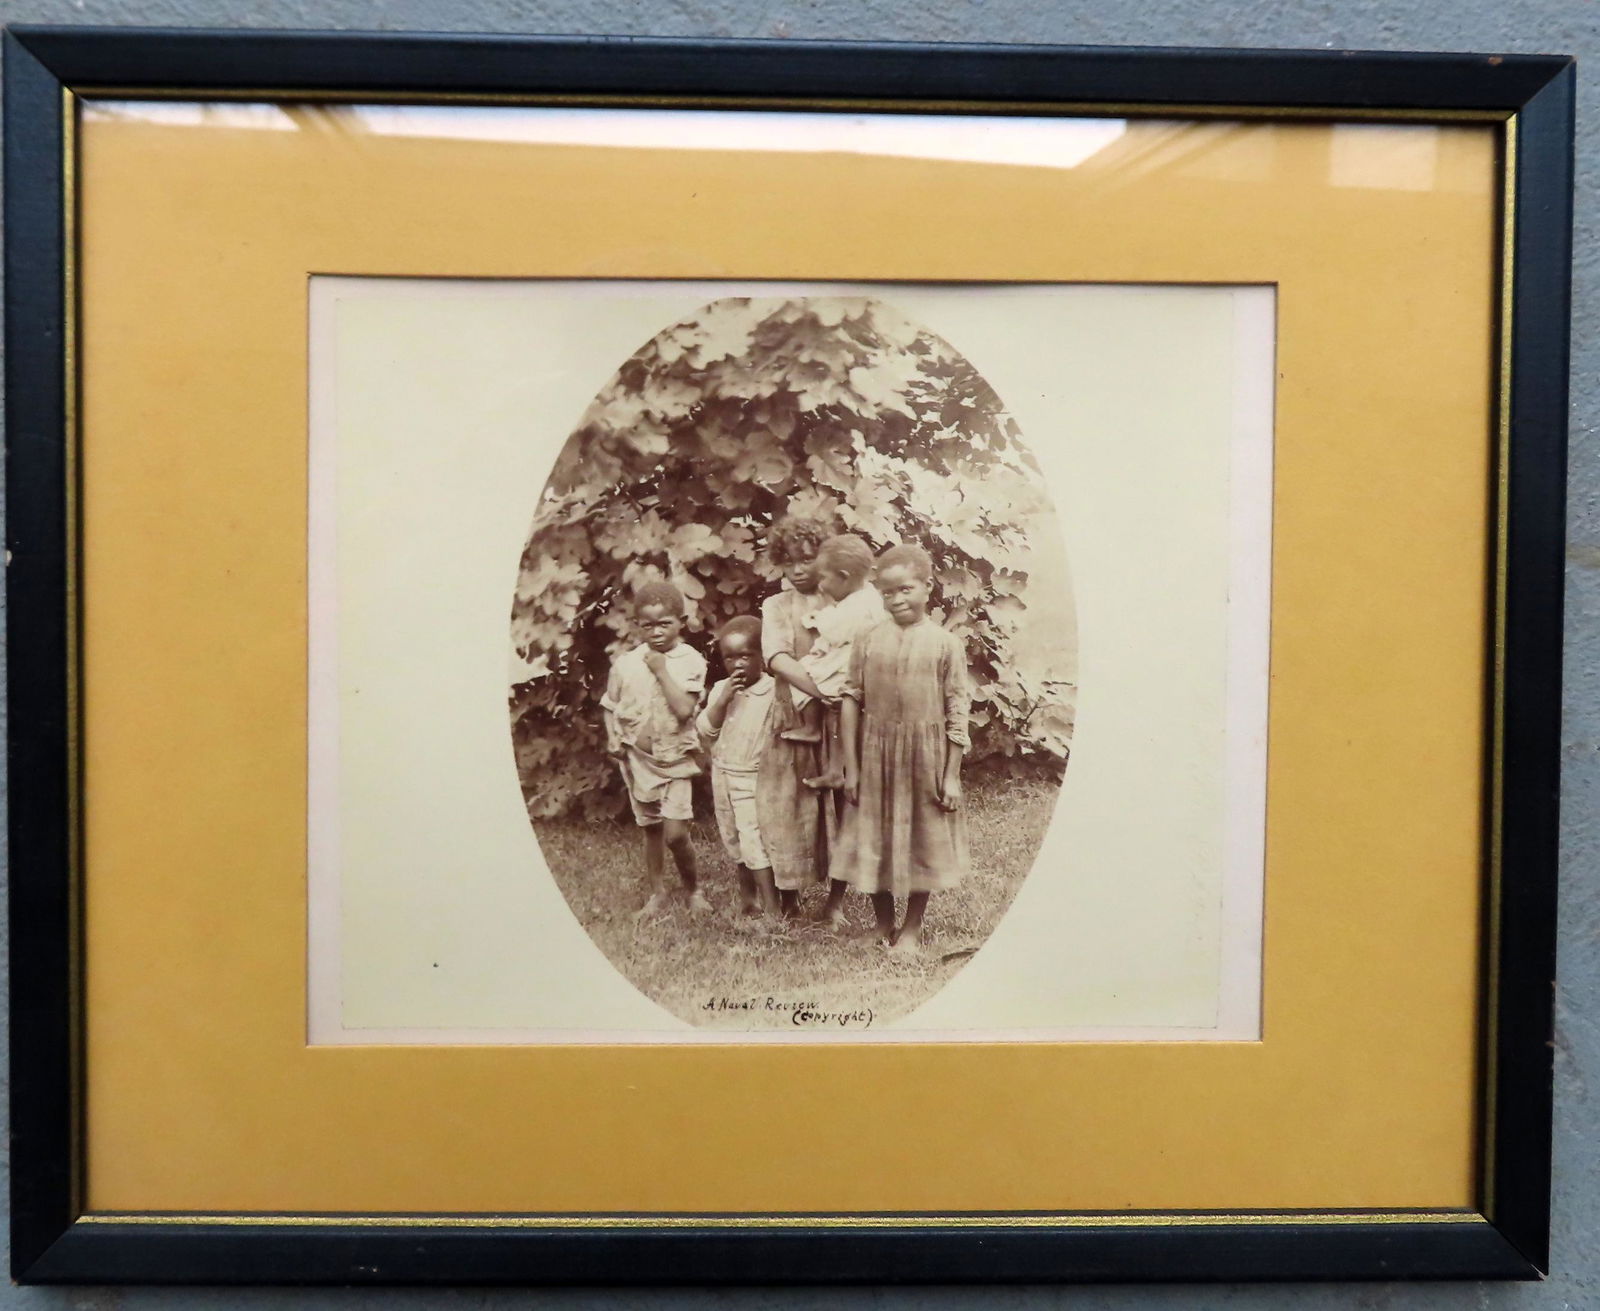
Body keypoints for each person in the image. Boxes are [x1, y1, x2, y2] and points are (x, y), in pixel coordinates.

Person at [828, 543, 970, 953]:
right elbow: (851, 697)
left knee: (922, 838)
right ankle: (883, 922)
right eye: (888, 592)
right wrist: (851, 767)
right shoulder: (868, 639)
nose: (897, 599)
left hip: (925, 757)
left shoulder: (946, 645)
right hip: (875, 754)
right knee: (871, 836)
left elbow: (957, 709)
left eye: (906, 589)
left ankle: (911, 927)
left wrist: (951, 774)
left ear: (927, 587)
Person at [600, 580, 709, 918]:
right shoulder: (625, 664)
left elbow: (682, 709)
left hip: (675, 758)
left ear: (682, 620)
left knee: (675, 834)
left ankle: (694, 889)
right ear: (637, 625)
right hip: (638, 759)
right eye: (648, 625)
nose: (657, 632)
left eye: (665, 624)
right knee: (650, 828)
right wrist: (612, 736)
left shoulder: (690, 660)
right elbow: (609, 704)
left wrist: (661, 669)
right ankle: (657, 893)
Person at [758, 511, 836, 913]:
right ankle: (789, 895)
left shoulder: (843, 599)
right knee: (786, 803)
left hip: (839, 720)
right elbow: (776, 658)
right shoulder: (777, 605)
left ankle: (836, 901)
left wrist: (836, 696)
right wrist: (823, 690)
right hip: (792, 717)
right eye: (790, 560)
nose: (799, 568)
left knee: (839, 804)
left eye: (808, 558)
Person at [697, 616, 780, 918]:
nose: (738, 664)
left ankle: (773, 908)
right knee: (733, 840)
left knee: (754, 840)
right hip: (722, 774)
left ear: (762, 656)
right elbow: (705, 731)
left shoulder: (773, 691)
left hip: (753, 776)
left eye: (746, 655)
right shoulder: (721, 689)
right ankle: (749, 900)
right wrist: (722, 700)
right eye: (730, 657)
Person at [791, 533, 884, 790]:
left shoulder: (857, 606)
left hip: (851, 666)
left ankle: (810, 726)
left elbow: (834, 632)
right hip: (854, 661)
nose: (820, 585)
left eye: (823, 578)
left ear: (844, 576)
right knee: (838, 714)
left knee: (803, 671)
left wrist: (815, 617)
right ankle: (835, 771)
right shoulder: (867, 596)